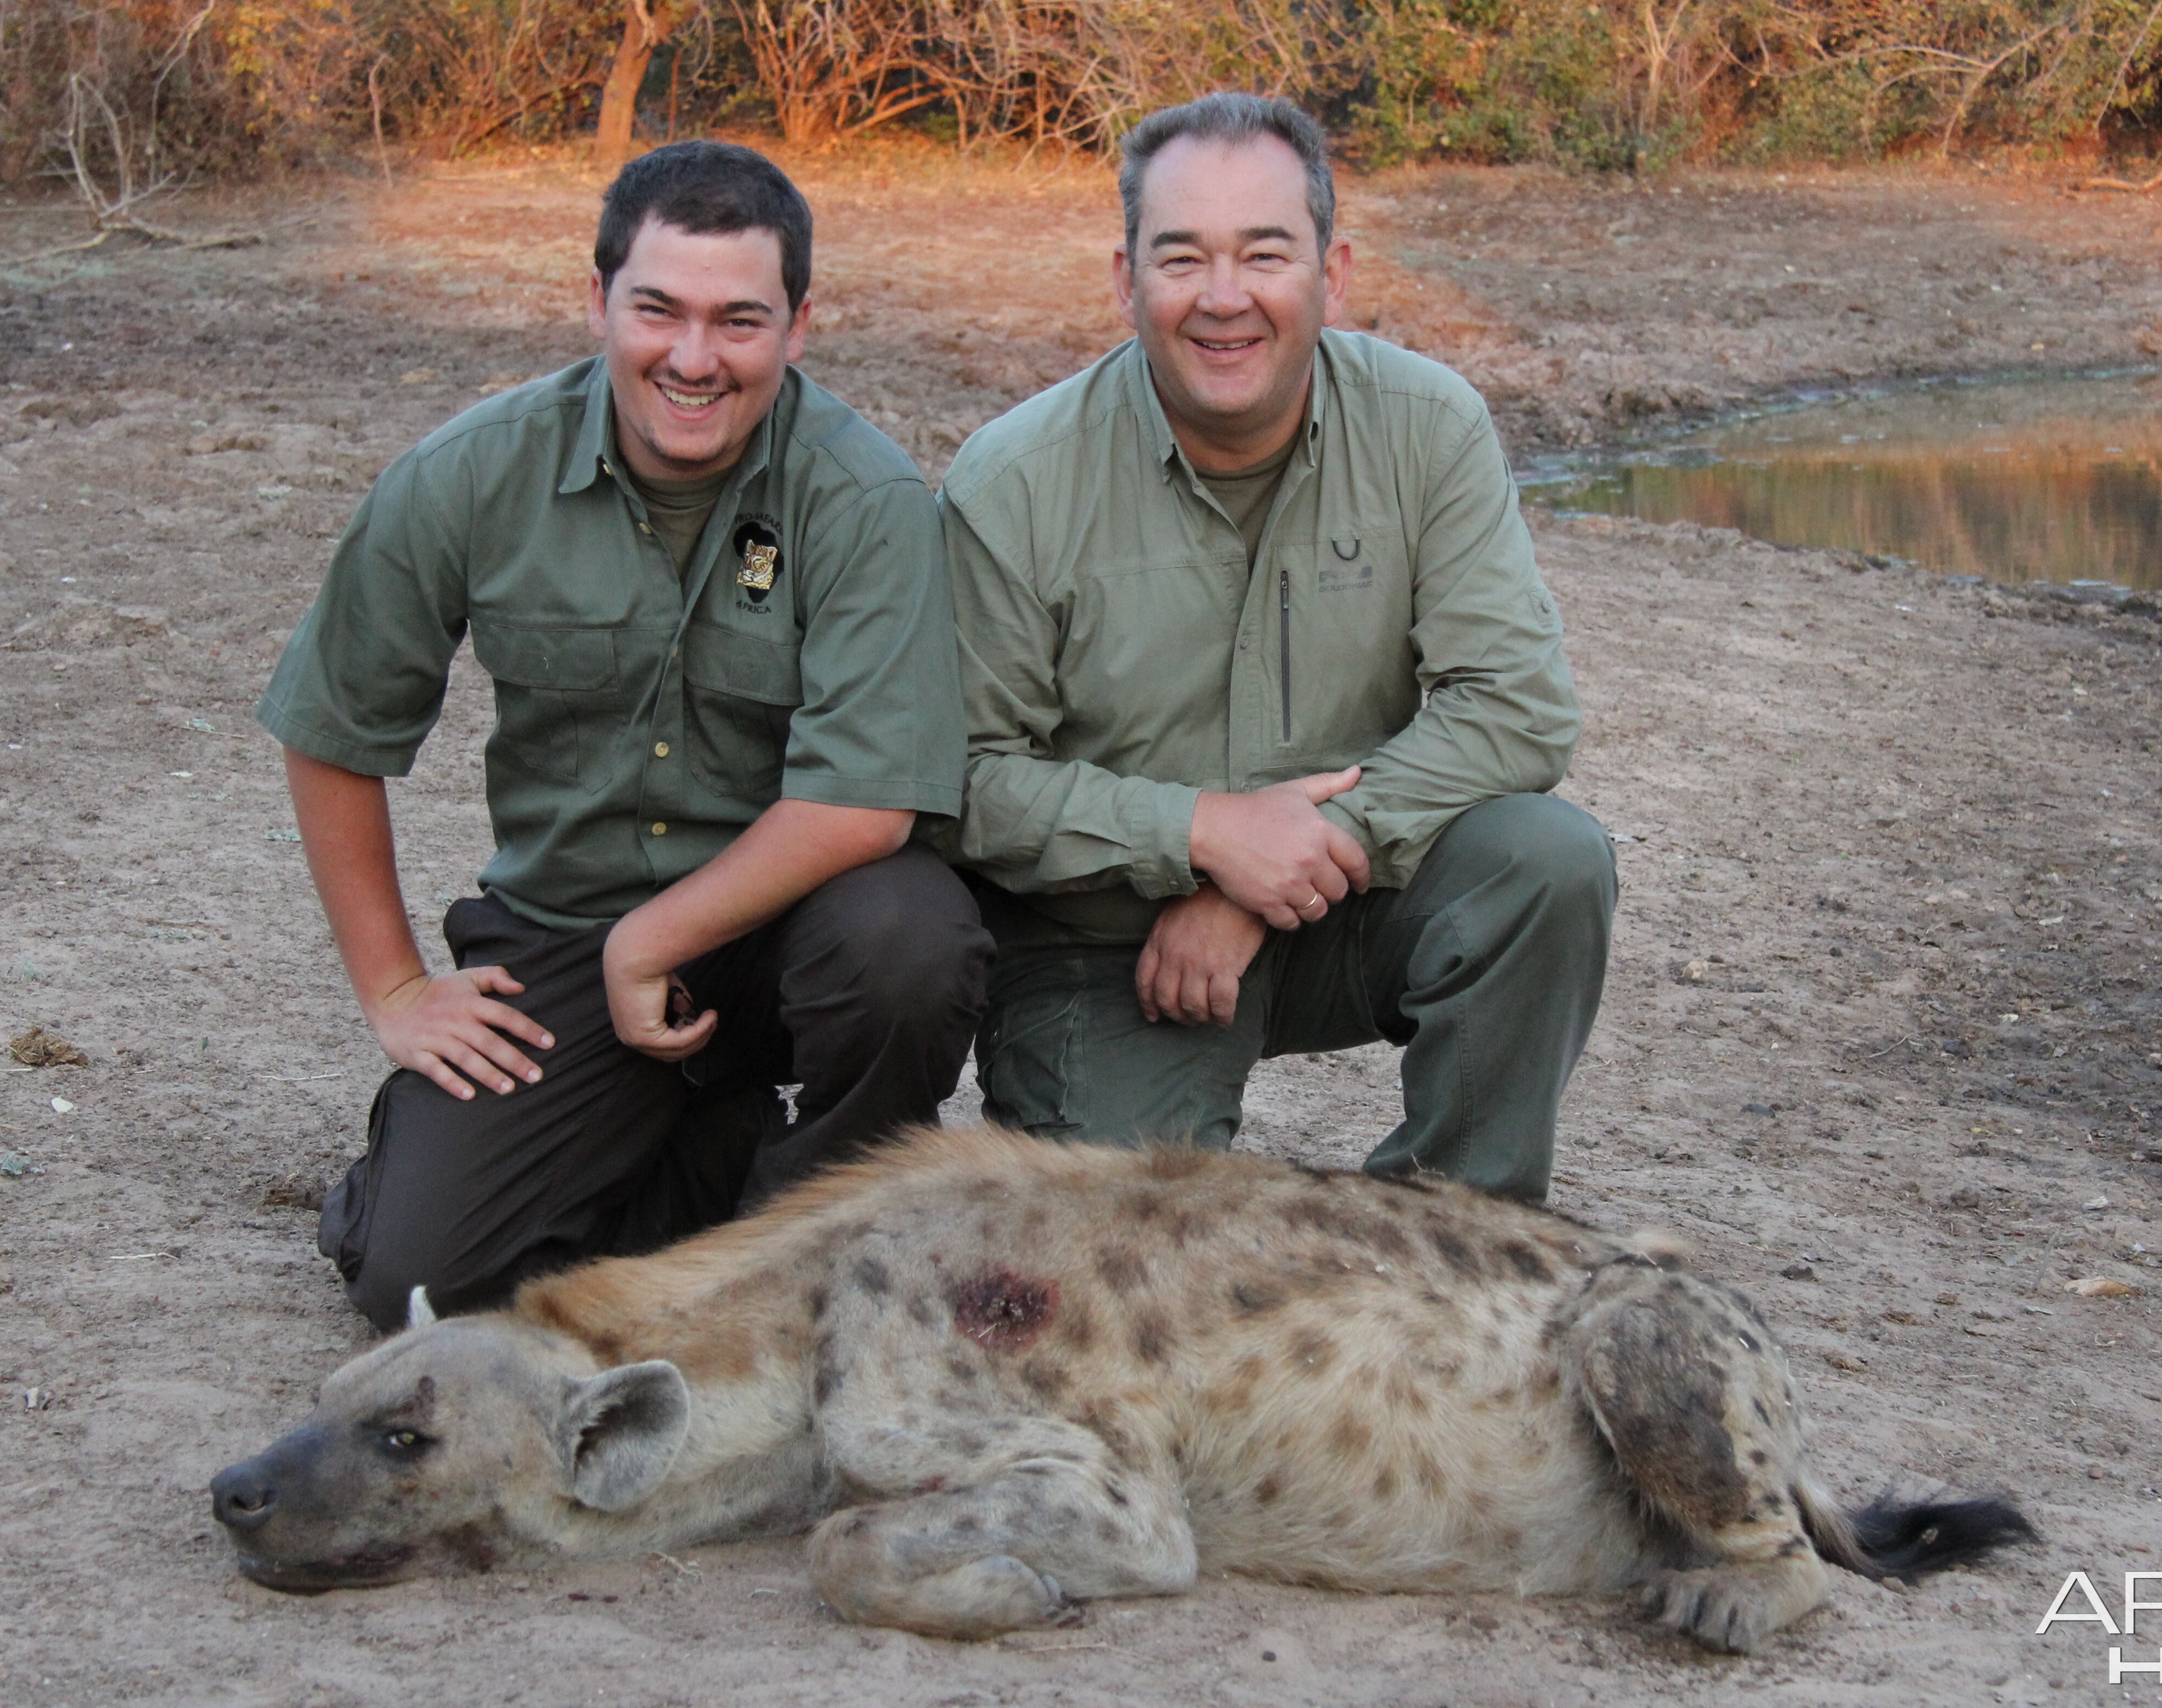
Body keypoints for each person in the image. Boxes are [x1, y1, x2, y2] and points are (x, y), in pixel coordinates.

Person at [258, 140, 988, 1330]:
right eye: (658, 311)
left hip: (788, 935)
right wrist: (395, 988)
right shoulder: (469, 474)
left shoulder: (865, 500)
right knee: (422, 1288)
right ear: (597, 302)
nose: (693, 360)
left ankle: (829, 1245)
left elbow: (867, 802)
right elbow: (334, 725)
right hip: (563, 928)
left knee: (912, 936)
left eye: (739, 322)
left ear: (800, 326)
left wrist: (654, 941)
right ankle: (693, 1158)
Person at [939, 92, 1615, 1203]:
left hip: (1356, 907)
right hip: (1109, 946)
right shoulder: (1013, 480)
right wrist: (1201, 835)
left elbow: (1519, 706)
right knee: (1118, 1269)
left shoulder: (1429, 425)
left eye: (1264, 253)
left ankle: (1454, 1242)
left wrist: (1267, 874)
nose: (1223, 299)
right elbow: (964, 781)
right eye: (1181, 258)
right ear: (1124, 281)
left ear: (1332, 273)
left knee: (1547, 860)